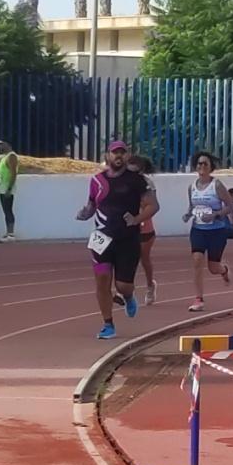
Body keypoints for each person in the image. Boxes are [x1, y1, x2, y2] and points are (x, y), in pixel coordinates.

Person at [76, 141, 159, 339]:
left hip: (127, 239)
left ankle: (128, 296)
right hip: (101, 238)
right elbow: (92, 205)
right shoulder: (97, 181)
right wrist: (85, 213)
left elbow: (153, 205)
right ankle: (108, 324)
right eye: (115, 153)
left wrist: (136, 219)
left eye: (122, 153)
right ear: (108, 156)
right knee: (102, 282)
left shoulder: (136, 180)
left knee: (123, 286)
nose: (118, 156)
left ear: (127, 156)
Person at [182, 151, 233, 313]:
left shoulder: (217, 185)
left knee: (213, 268)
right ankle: (198, 299)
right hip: (198, 230)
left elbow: (230, 206)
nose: (202, 166)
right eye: (199, 163)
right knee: (197, 260)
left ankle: (224, 270)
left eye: (205, 163)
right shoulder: (192, 187)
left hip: (216, 231)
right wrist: (188, 214)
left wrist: (215, 215)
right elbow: (192, 207)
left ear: (211, 167)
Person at [127, 153, 162, 304]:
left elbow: (152, 205)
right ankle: (127, 290)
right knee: (127, 258)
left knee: (144, 258)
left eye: (135, 171)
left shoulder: (147, 184)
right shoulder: (121, 181)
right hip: (126, 226)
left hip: (144, 226)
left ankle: (150, 285)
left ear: (141, 171)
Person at [0, 140, 20, 241]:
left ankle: (11, 234)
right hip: (2, 188)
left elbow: (13, 173)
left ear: (8, 144)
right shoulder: (4, 157)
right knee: (5, 210)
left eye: (2, 144)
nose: (0, 146)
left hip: (7, 188)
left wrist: (9, 188)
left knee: (8, 210)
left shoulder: (11, 156)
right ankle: (8, 232)